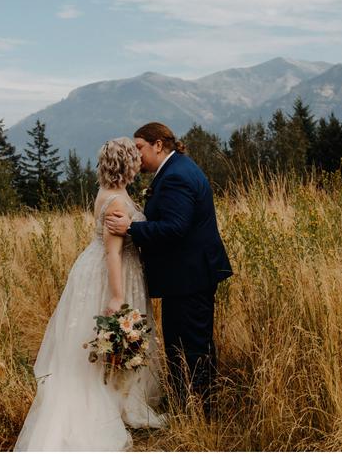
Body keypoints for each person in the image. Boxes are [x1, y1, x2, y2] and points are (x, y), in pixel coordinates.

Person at [14, 137, 165, 452]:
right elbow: (113, 253)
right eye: (134, 158)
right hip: (113, 273)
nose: (139, 161)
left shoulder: (108, 192)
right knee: (109, 341)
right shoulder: (117, 202)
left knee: (98, 343)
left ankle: (119, 396)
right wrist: (116, 297)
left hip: (96, 268)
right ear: (127, 164)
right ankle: (109, 405)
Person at [104, 122, 233, 415]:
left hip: (190, 278)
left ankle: (197, 411)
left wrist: (132, 228)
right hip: (186, 276)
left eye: (139, 148)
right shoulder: (175, 171)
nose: (136, 157)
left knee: (191, 348)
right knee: (185, 345)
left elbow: (176, 228)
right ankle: (189, 406)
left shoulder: (176, 177)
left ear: (158, 145)